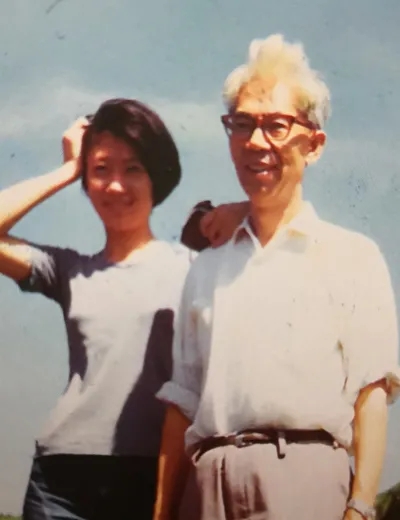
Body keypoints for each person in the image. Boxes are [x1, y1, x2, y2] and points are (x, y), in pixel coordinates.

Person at [154, 35, 400, 520]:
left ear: (314, 145)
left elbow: (371, 393)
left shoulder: (354, 256)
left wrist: (360, 507)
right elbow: (182, 401)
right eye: (242, 124)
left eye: (276, 126)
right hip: (208, 486)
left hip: (305, 480)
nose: (255, 141)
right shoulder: (205, 268)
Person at [0, 98, 247, 520]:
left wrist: (241, 209)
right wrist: (68, 170)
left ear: (157, 176)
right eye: (101, 169)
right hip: (60, 483)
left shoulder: (194, 269)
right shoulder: (67, 271)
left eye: (132, 168)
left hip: (152, 478)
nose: (116, 185)